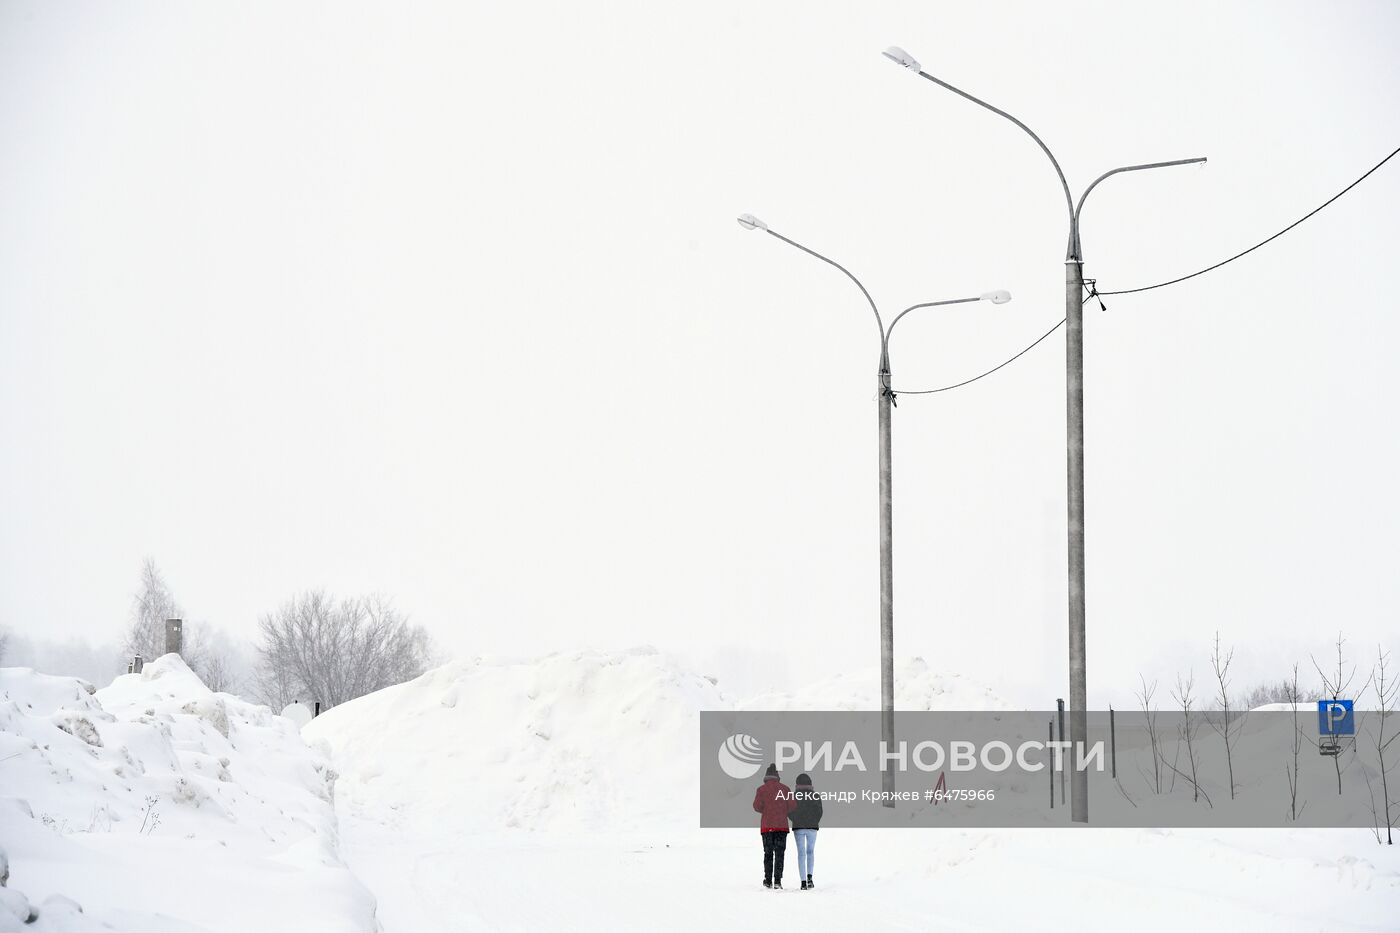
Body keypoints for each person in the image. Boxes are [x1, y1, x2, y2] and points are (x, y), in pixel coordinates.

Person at [752, 762, 796, 888]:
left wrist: (766, 811)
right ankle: (777, 881)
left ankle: (767, 880)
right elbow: (793, 805)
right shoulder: (785, 789)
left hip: (767, 827)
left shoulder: (761, 790)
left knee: (768, 853)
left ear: (766, 776)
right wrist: (782, 811)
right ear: (777, 776)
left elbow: (756, 806)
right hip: (781, 826)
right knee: (780, 853)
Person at [789, 772, 822, 890]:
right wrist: (813, 820)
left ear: (797, 784)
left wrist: (796, 819)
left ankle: (803, 882)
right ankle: (810, 878)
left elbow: (790, 812)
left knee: (801, 853)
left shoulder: (794, 796)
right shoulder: (815, 796)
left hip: (798, 827)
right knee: (810, 852)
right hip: (812, 827)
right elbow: (819, 812)